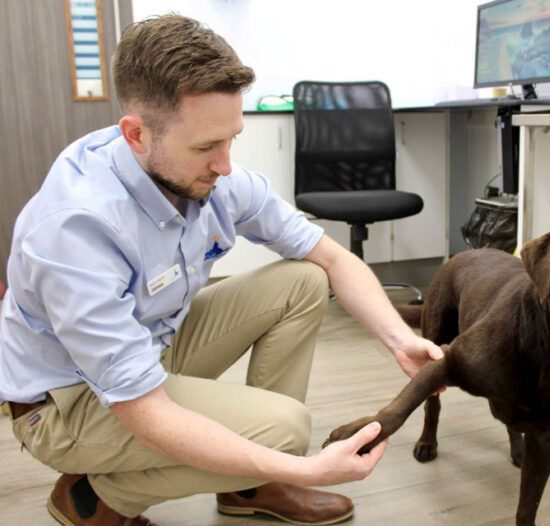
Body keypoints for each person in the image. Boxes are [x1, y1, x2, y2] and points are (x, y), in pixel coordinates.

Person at [0, 14, 443, 526]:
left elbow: (333, 256)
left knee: (302, 279)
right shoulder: (76, 228)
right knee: (288, 430)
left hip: (146, 347)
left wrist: (397, 340)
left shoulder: (209, 175)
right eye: (206, 147)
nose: (226, 164)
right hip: (64, 402)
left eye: (231, 138)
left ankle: (250, 487)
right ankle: (103, 497)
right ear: (136, 135)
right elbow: (145, 412)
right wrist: (305, 468)